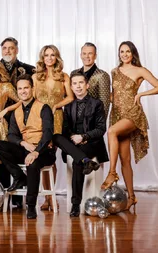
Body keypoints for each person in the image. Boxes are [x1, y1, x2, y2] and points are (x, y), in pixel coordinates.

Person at [101, 41, 158, 212]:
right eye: (122, 51)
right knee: (125, 160)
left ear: (133, 53)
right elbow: (115, 94)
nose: (125, 54)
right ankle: (132, 198)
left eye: (128, 51)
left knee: (111, 131)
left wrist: (141, 93)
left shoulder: (140, 70)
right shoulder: (114, 71)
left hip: (133, 114)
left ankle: (112, 173)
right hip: (117, 115)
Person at [0, 74, 56, 219]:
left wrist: (36, 152)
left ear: (32, 89)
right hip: (26, 148)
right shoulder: (16, 111)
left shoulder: (44, 108)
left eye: (26, 88)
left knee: (33, 163)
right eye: (20, 89)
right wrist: (23, 143)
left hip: (45, 151)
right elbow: (11, 135)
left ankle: (31, 205)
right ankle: (19, 176)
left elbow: (48, 134)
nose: (23, 91)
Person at [52, 73, 108, 217]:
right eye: (75, 83)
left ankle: (75, 205)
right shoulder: (68, 105)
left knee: (77, 162)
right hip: (73, 143)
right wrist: (73, 138)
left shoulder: (97, 104)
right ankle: (85, 160)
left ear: (87, 85)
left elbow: (101, 129)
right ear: (71, 87)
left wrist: (83, 137)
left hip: (91, 143)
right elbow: (65, 129)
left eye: (81, 83)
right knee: (56, 136)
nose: (78, 86)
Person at [32, 45, 73, 211]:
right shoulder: (36, 76)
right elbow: (32, 98)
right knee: (42, 155)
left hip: (56, 118)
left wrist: (57, 105)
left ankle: (51, 197)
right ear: (42, 58)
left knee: (51, 157)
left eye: (52, 55)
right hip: (40, 119)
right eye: (46, 55)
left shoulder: (63, 76)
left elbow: (70, 97)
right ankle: (48, 198)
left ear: (57, 57)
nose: (49, 58)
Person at [0, 37, 36, 208]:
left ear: (17, 50)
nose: (7, 51)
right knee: (1, 156)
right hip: (1, 119)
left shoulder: (28, 69)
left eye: (11, 48)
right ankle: (3, 193)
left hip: (23, 117)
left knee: (20, 151)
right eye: (5, 48)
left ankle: (19, 199)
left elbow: (33, 94)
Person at [71, 42, 111, 118]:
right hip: (74, 119)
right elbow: (71, 99)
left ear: (95, 56)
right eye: (84, 53)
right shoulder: (74, 73)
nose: (87, 56)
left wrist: (100, 125)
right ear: (80, 55)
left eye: (90, 53)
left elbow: (104, 104)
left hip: (92, 119)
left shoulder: (102, 75)